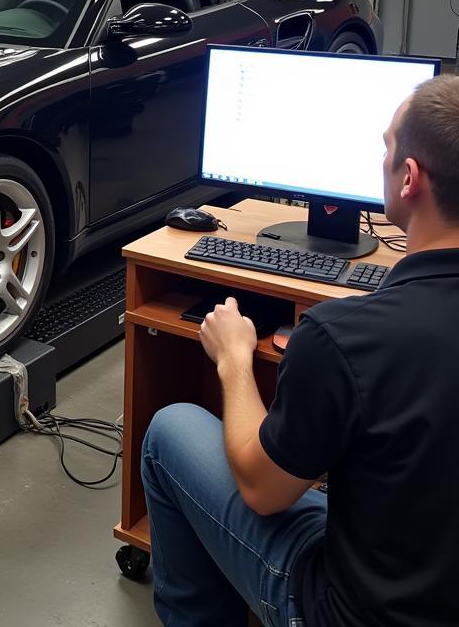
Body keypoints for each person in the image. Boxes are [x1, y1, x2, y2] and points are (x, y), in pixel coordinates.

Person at [140, 75, 459, 627]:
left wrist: (235, 361)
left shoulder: (345, 335)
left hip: (345, 612)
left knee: (170, 431)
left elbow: (265, 494)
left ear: (409, 178)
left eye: (386, 146)